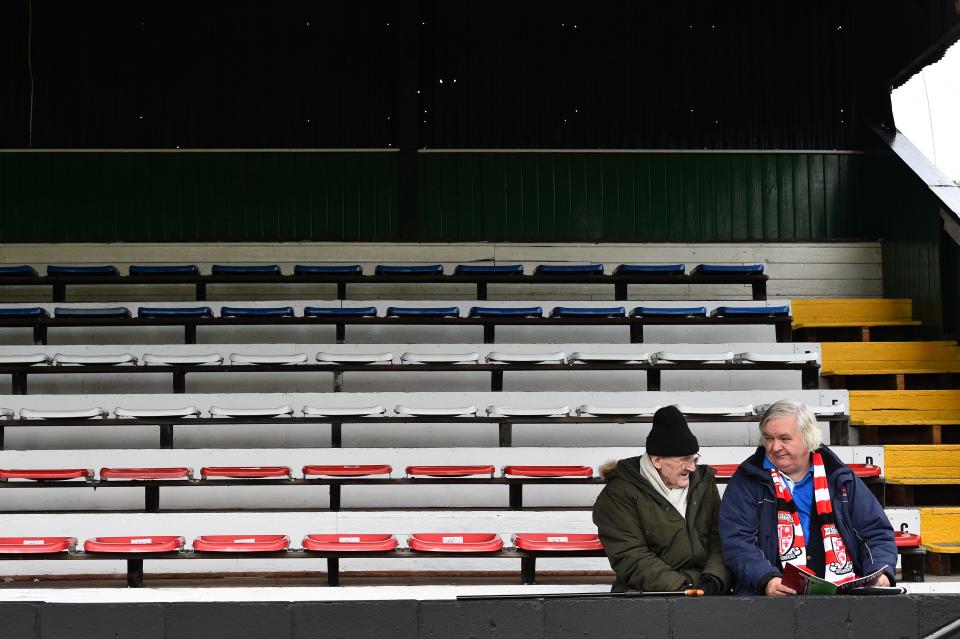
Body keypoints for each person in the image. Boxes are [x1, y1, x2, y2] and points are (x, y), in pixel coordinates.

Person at [719, 399, 897, 596]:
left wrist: (880, 573)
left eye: (784, 439)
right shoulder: (746, 479)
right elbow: (736, 541)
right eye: (769, 438)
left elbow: (876, 533)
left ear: (808, 439)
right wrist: (766, 579)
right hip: (769, 602)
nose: (774, 447)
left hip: (842, 601)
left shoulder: (840, 478)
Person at [592, 405, 731, 594]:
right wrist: (681, 588)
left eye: (694, 460)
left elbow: (720, 539)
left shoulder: (704, 484)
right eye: (684, 460)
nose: (691, 468)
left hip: (706, 590)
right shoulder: (619, 493)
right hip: (649, 595)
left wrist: (714, 580)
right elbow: (630, 555)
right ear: (657, 460)